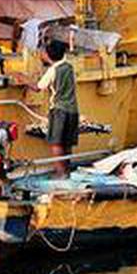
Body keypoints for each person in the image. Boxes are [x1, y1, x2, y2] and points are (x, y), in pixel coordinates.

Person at [32, 40, 79, 178]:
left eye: (43, 52)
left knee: (56, 143)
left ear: (48, 55)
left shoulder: (52, 70)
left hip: (59, 110)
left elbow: (38, 87)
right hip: (73, 109)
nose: (41, 54)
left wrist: (22, 78)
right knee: (67, 142)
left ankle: (60, 172)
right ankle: (66, 170)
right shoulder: (69, 67)